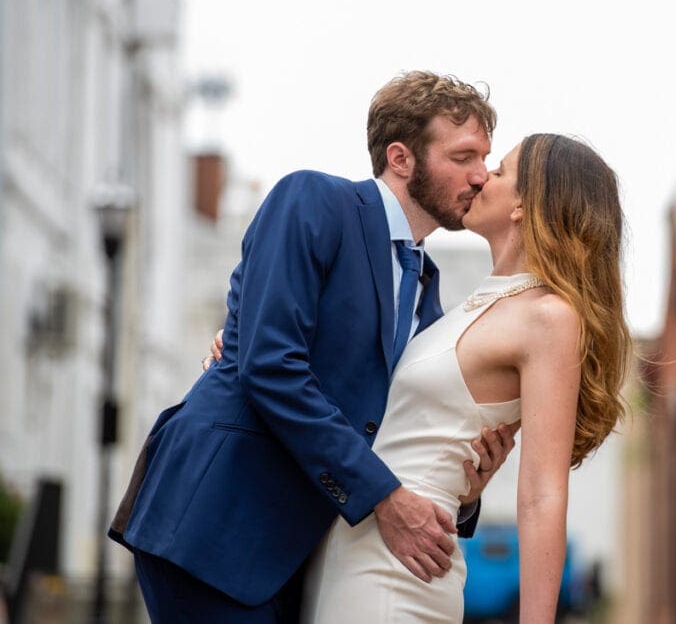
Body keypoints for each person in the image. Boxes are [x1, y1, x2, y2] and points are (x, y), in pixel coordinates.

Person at [108, 72, 518, 622]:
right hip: (217, 523)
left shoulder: (426, 283)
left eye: (486, 158)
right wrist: (384, 498)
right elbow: (272, 366)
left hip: (302, 555)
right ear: (401, 158)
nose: (481, 176)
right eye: (464, 156)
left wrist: (467, 488)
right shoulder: (313, 201)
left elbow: (399, 421)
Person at [296, 133, 631, 622]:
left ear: (525, 206)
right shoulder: (473, 305)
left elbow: (542, 493)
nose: (481, 178)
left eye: (499, 172)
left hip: (398, 568)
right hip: (350, 551)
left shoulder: (549, 318)